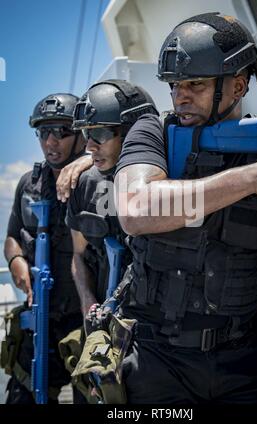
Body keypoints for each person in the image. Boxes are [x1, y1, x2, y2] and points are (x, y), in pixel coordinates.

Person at [114, 12, 257, 404]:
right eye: (175, 86)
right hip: (158, 360)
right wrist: (251, 178)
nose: (180, 96)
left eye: (195, 84)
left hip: (246, 361)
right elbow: (135, 209)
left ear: (238, 85)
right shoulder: (154, 133)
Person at [3, 93, 88, 404]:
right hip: (39, 320)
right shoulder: (29, 183)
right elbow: (12, 235)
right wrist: (15, 262)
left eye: (62, 132)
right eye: (43, 132)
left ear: (81, 132)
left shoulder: (97, 184)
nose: (51, 141)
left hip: (83, 321)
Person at [65, 79, 159, 335]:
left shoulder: (168, 182)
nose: (89, 146)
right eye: (87, 133)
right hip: (105, 326)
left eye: (101, 134)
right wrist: (87, 300)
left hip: (156, 331)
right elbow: (78, 255)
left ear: (133, 133)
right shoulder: (84, 185)